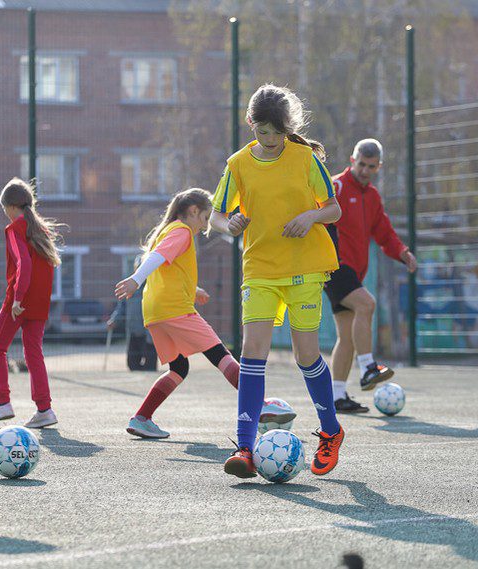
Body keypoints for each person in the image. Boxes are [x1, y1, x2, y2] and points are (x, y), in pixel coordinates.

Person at [209, 84, 345, 478]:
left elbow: (332, 209)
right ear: (250, 123)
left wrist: (309, 217)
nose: (267, 140)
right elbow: (218, 214)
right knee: (253, 354)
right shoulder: (237, 164)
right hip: (261, 269)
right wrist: (228, 224)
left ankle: (331, 431)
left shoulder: (305, 158)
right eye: (260, 131)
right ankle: (246, 448)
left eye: (274, 132)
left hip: (305, 267)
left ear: (287, 128)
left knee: (306, 355)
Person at [115, 188, 244, 439]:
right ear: (194, 211)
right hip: (174, 309)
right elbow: (156, 258)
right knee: (220, 354)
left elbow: (166, 268)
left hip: (155, 312)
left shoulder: (166, 230)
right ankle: (260, 407)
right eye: (206, 218)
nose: (206, 226)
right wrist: (135, 279)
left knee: (179, 368)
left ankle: (141, 418)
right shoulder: (183, 231)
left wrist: (192, 289)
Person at [325, 139, 417, 412]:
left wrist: (402, 252)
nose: (364, 170)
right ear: (352, 160)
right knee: (367, 304)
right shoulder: (336, 186)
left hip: (354, 271)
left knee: (347, 335)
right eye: (361, 164)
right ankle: (367, 367)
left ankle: (337, 396)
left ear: (378, 167)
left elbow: (384, 232)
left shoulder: (373, 197)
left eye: (371, 166)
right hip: (334, 265)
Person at [0, 178, 63, 429]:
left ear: (11, 207)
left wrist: (17, 297)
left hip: (20, 300)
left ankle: (3, 402)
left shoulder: (15, 229)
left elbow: (23, 264)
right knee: (33, 354)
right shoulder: (41, 230)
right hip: (39, 301)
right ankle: (44, 409)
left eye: (5, 210)